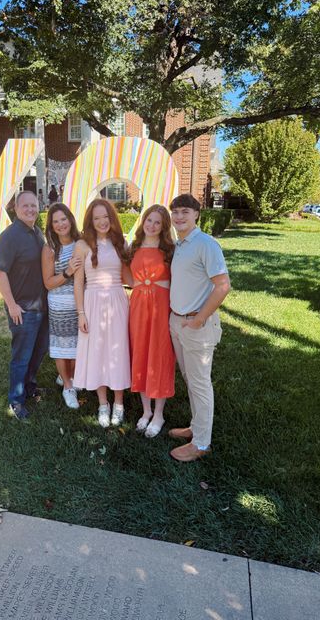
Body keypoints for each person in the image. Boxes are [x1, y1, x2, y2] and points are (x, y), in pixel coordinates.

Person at [168, 193, 231, 461]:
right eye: (175, 212)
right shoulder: (180, 244)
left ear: (196, 214)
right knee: (190, 380)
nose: (179, 216)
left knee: (200, 383)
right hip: (178, 321)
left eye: (185, 211)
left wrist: (199, 319)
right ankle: (196, 427)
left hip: (197, 324)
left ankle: (202, 444)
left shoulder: (206, 244)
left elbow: (223, 286)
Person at [73, 199, 131, 427]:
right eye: (96, 218)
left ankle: (119, 404)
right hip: (92, 303)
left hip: (117, 302)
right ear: (90, 221)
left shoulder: (120, 242)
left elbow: (129, 277)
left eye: (105, 217)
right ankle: (103, 404)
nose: (102, 222)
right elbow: (79, 283)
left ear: (112, 218)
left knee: (117, 351)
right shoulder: (82, 245)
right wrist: (81, 313)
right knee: (97, 352)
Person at [0, 190, 48, 420]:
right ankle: (15, 400)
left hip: (42, 306)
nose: (30, 209)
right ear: (16, 209)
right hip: (23, 310)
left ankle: (29, 387)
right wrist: (12, 305)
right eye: (25, 205)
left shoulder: (37, 232)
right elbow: (0, 272)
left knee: (38, 352)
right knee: (21, 357)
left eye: (33, 205)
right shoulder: (9, 237)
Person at [129, 205, 176, 438]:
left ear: (164, 226)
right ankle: (146, 410)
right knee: (140, 353)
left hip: (161, 307)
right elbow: (126, 276)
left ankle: (158, 414)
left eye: (158, 222)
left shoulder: (170, 250)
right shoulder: (133, 246)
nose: (152, 225)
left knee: (160, 355)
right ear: (143, 221)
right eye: (149, 220)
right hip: (138, 307)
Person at [42, 203, 82, 409]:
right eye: (55, 221)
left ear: (70, 220)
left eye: (63, 219)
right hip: (59, 305)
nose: (60, 224)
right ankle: (68, 387)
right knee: (61, 348)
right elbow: (48, 283)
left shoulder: (81, 242)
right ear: (51, 226)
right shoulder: (50, 249)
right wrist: (67, 272)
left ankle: (68, 376)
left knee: (78, 347)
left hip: (80, 303)